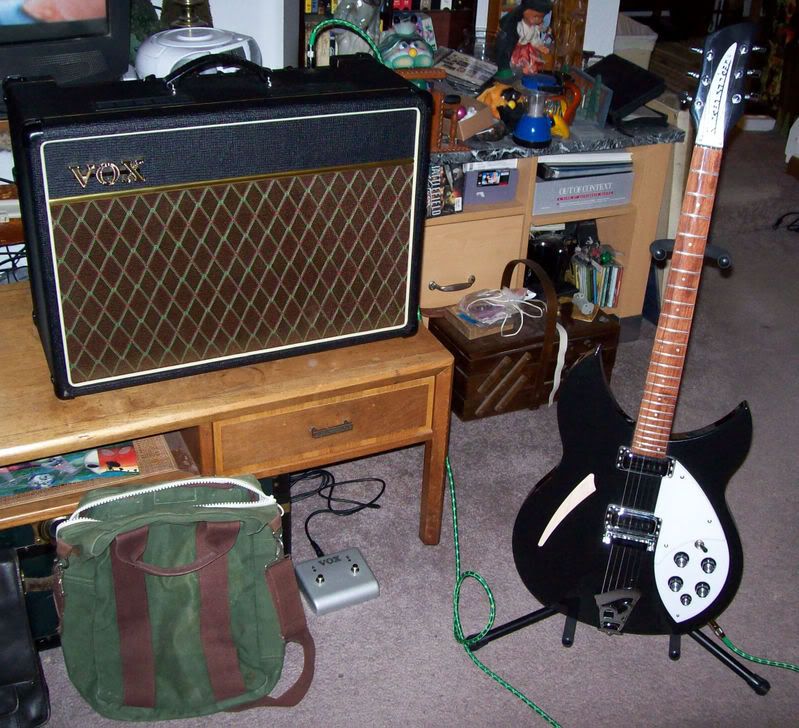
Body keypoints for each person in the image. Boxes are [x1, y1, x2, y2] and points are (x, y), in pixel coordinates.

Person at [495, 0, 553, 76]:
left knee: (531, 59)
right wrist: (518, 43)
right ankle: (518, 70)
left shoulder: (535, 28)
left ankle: (528, 70)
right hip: (518, 49)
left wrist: (539, 46)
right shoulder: (519, 26)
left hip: (528, 49)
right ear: (524, 12)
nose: (539, 20)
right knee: (520, 59)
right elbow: (513, 37)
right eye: (536, 16)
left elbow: (534, 38)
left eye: (542, 17)